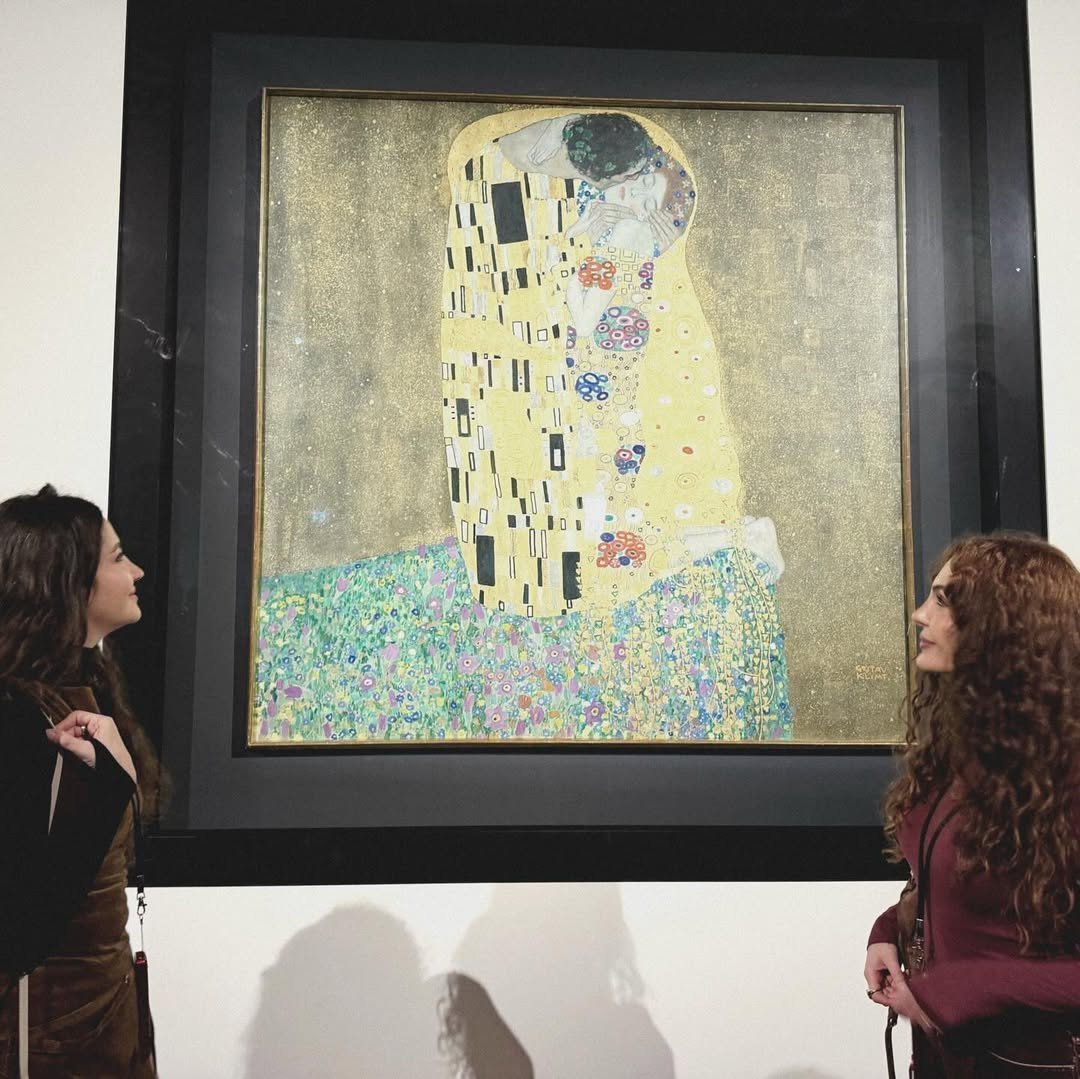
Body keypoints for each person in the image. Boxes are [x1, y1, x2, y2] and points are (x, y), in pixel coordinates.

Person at [865, 534, 1080, 1075]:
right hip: (947, 1055)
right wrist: (890, 931)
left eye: (944, 600)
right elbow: (966, 890)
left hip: (1030, 1062)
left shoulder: (1069, 770)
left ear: (1005, 625)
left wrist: (959, 989)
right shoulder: (969, 747)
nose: (920, 614)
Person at [0, 485, 161, 1077]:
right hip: (45, 1040)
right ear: (67, 583)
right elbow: (21, 927)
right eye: (118, 558)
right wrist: (109, 788)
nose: (136, 572)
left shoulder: (78, 691)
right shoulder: (19, 719)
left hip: (98, 1019)